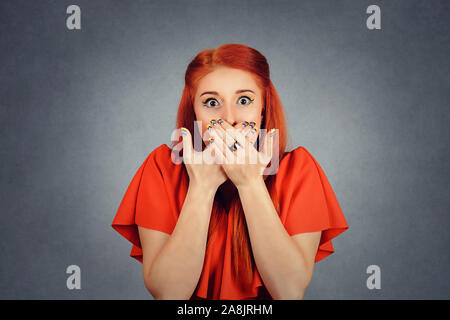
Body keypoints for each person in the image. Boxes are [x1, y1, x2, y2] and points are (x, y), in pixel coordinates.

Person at [111, 43, 349, 300]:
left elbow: (289, 292)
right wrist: (202, 187)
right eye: (212, 102)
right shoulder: (161, 167)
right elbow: (169, 294)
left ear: (263, 107)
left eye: (244, 100)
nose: (229, 117)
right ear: (194, 111)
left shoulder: (298, 169)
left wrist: (250, 184)